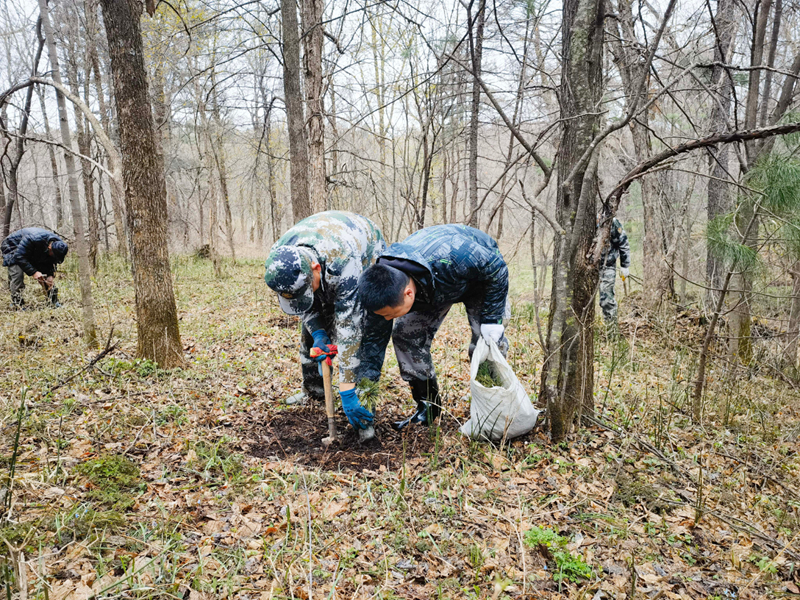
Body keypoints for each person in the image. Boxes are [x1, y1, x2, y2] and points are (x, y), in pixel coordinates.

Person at [358, 224, 509, 430]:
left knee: (487, 344)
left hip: (481, 280)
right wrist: (365, 392)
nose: (386, 319)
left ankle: (492, 410)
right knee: (405, 334)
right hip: (433, 287)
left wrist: (492, 319)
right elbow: (372, 343)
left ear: (408, 294)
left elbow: (496, 267)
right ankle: (428, 407)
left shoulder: (455, 255)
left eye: (390, 314)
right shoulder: (382, 288)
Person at [263, 211, 391, 431]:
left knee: (369, 338)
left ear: (315, 269)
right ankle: (314, 392)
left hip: (367, 254)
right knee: (311, 338)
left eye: (305, 290)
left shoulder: (344, 262)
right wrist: (320, 334)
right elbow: (302, 304)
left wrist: (346, 389)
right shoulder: (280, 260)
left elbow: (349, 330)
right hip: (327, 255)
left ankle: (362, 408)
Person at [2, 227, 68, 309]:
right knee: (17, 274)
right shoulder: (34, 238)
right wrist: (34, 272)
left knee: (47, 279)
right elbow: (19, 256)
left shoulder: (59, 246)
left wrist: (50, 275)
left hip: (33, 249)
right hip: (13, 246)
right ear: (49, 248)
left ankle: (53, 301)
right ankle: (17, 303)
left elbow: (50, 261)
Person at [598, 216, 631, 324]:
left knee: (606, 301)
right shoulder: (581, 219)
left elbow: (623, 242)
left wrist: (625, 265)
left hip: (607, 266)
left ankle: (611, 335)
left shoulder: (611, 221)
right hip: (587, 266)